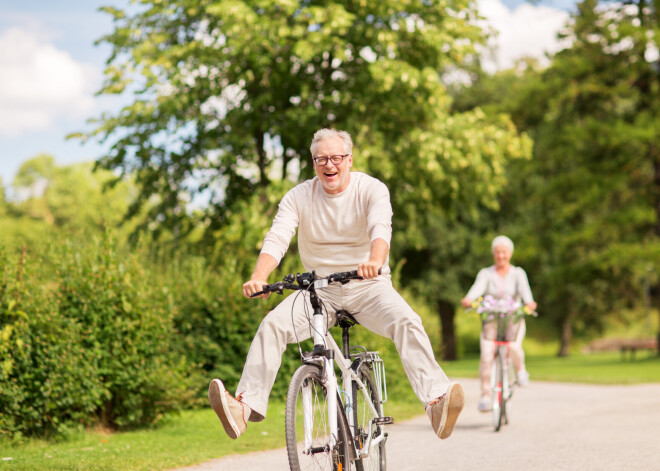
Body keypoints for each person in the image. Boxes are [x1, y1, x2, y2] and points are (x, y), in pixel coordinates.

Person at [208, 128, 464, 441]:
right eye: (321, 159)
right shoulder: (299, 196)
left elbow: (380, 228)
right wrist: (259, 276)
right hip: (318, 290)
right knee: (272, 325)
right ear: (313, 163)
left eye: (336, 158)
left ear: (349, 160)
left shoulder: (371, 189)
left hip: (368, 285)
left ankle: (436, 403)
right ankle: (243, 409)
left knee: (407, 321)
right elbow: (277, 237)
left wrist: (375, 260)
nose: (329, 165)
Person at [461, 235, 537, 412]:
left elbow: (526, 294)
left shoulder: (518, 273)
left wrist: (530, 303)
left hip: (513, 320)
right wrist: (469, 298)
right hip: (492, 321)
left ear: (509, 254)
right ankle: (486, 396)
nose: (501, 256)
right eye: (497, 252)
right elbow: (476, 289)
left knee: (514, 347)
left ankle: (520, 371)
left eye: (504, 252)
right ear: (493, 254)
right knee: (487, 354)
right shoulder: (486, 274)